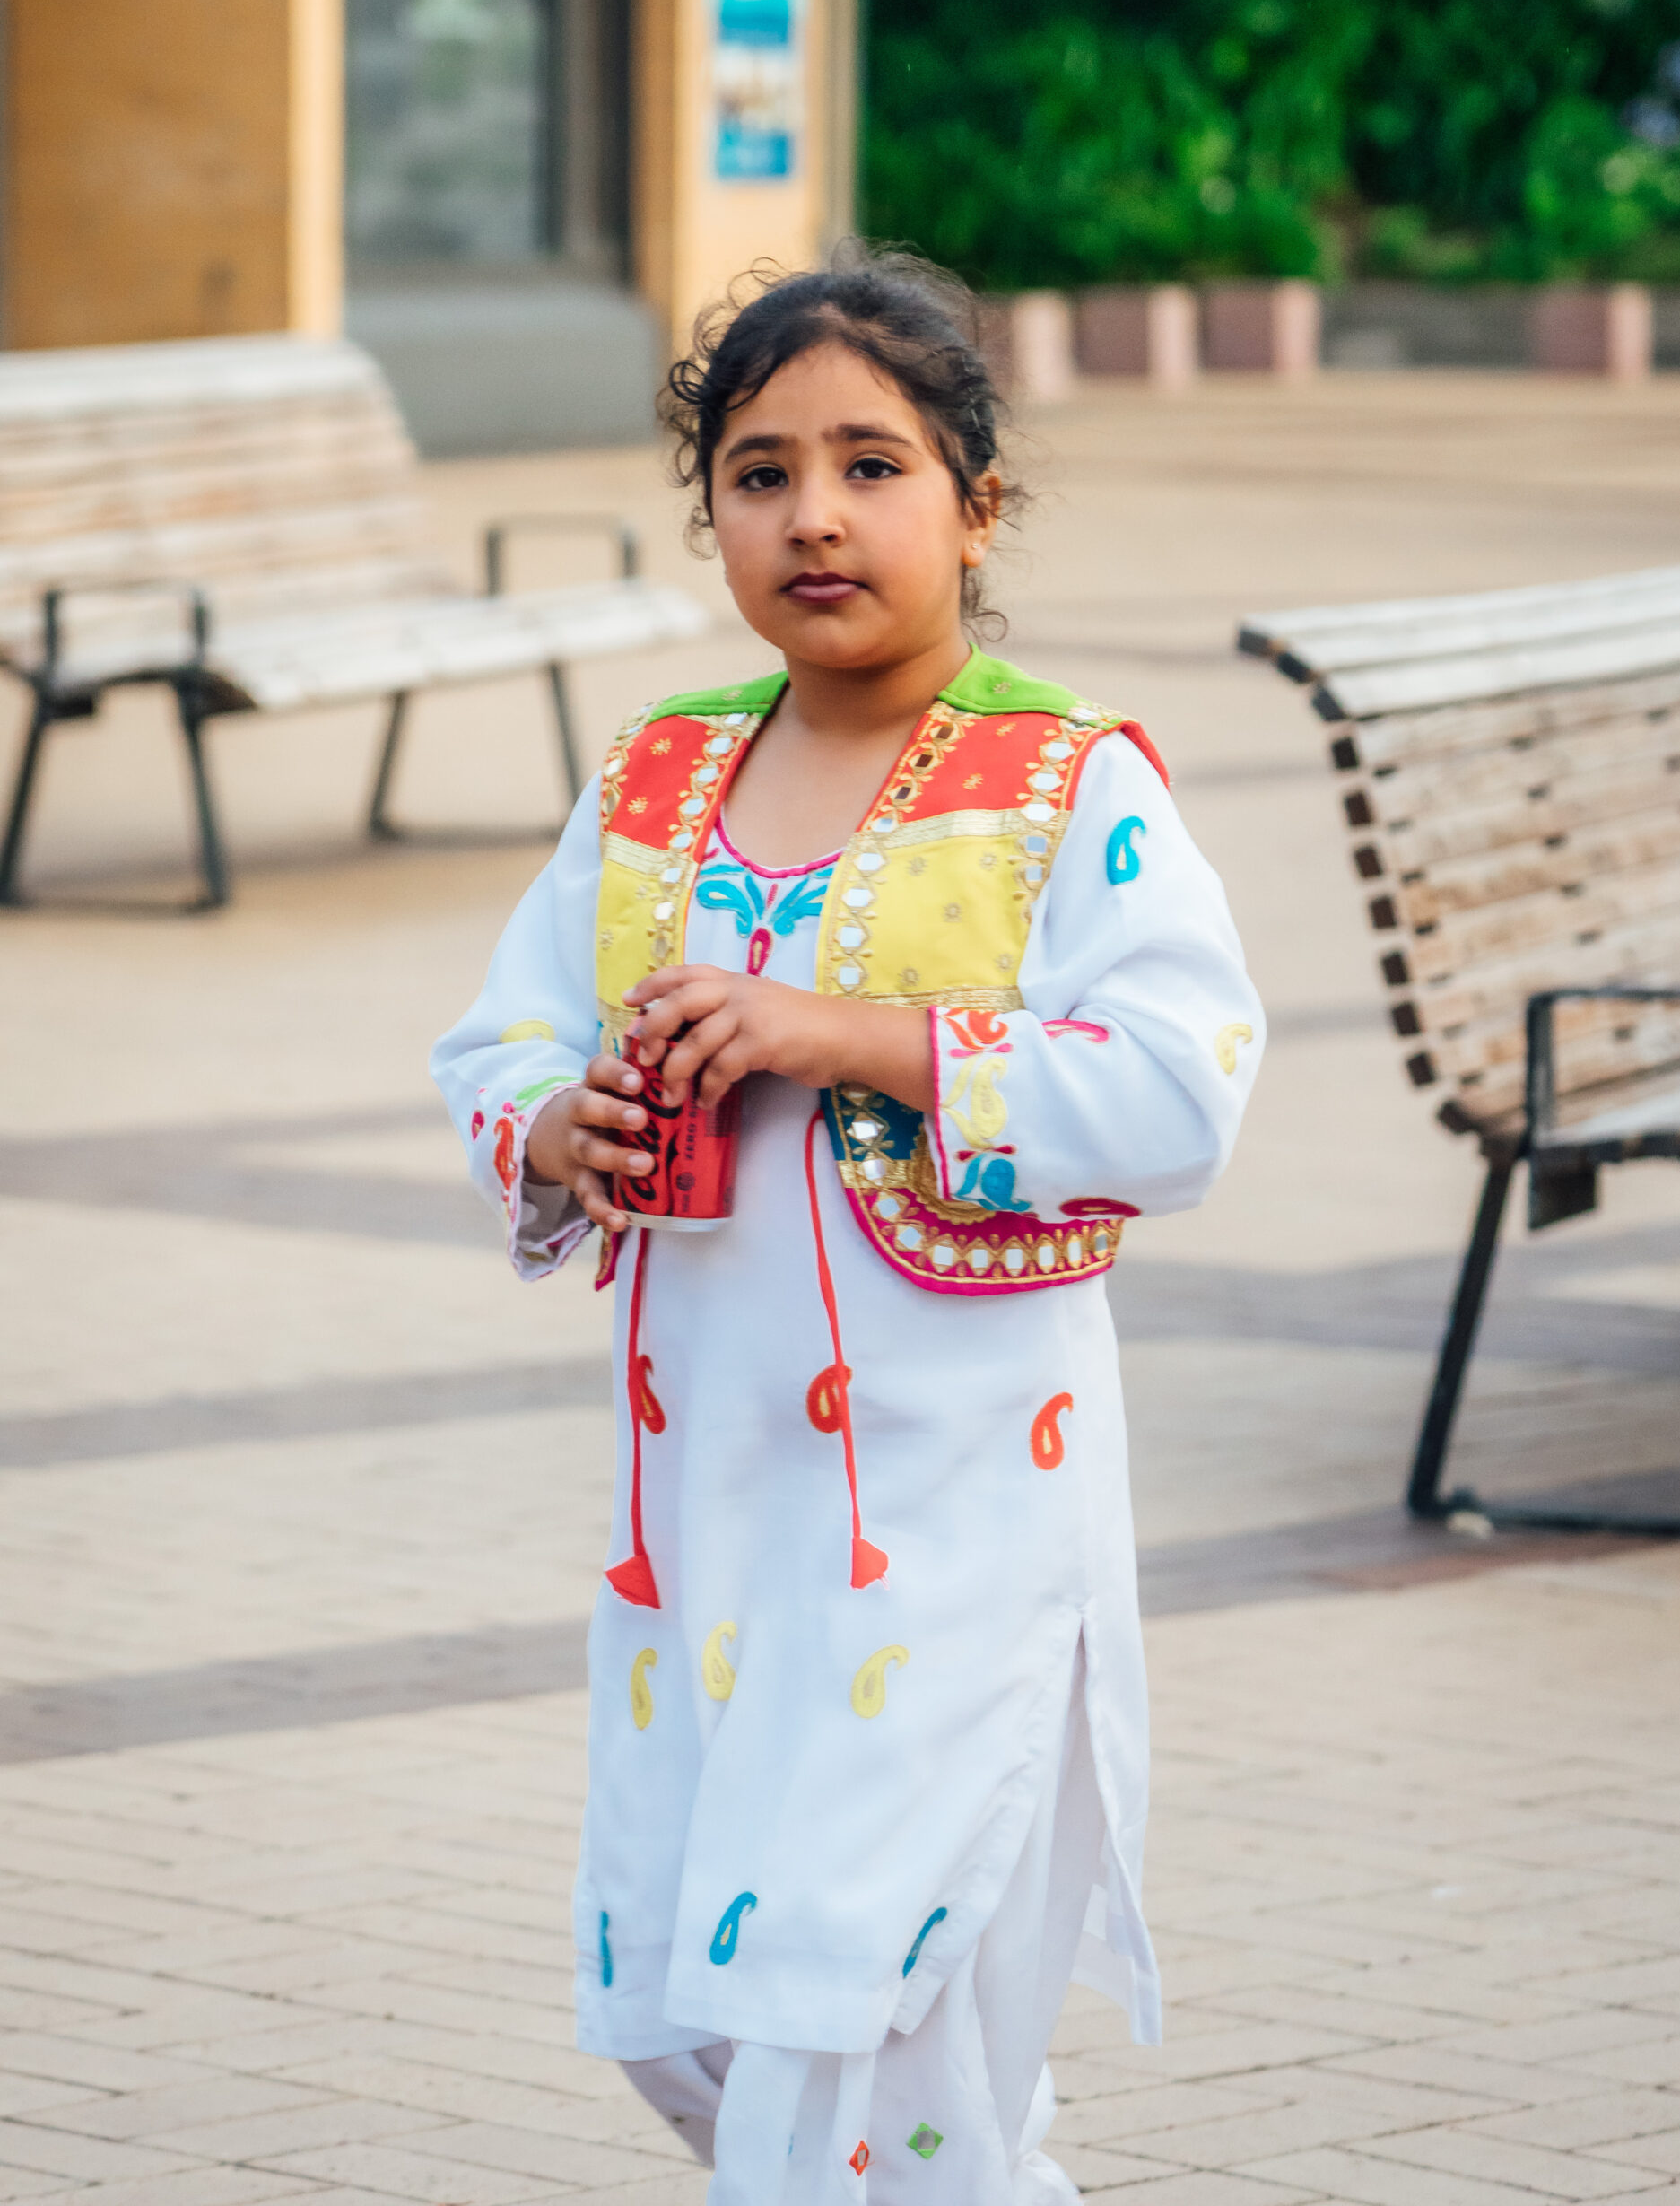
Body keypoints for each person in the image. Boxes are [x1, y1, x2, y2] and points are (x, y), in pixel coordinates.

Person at [431, 247, 1263, 2204]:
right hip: (701, 1528)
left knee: (855, 1994)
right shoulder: (655, 782)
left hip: (956, 1519)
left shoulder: (1063, 782)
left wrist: (853, 1034)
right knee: (685, 2005)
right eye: (759, 470)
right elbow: (501, 1034)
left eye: (870, 465)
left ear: (976, 507)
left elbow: (1178, 1088)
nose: (812, 512)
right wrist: (550, 1128)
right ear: (708, 511)